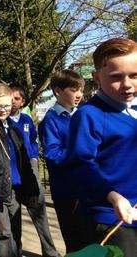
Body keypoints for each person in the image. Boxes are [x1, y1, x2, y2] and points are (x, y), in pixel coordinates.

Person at [65, 38, 137, 255]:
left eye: (134, 75)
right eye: (116, 77)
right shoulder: (90, 115)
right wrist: (112, 196)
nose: (127, 84)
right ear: (96, 78)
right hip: (113, 219)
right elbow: (80, 165)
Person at [0, 84, 40, 257]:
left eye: (7, 105)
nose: (3, 110)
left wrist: (31, 188)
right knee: (4, 233)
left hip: (15, 190)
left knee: (16, 232)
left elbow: (23, 161)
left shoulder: (14, 129)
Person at [38, 70, 87, 253]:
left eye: (81, 89)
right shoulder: (51, 120)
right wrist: (79, 154)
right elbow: (52, 153)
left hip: (87, 188)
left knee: (90, 238)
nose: (79, 94)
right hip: (67, 191)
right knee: (75, 240)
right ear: (58, 91)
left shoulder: (82, 114)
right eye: (74, 89)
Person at [9, 86, 60, 257]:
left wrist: (34, 157)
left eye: (17, 98)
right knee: (13, 218)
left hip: (29, 169)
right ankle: (15, 251)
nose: (12, 101)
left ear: (23, 102)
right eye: (10, 97)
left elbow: (32, 139)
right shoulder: (0, 120)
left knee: (39, 212)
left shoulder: (26, 119)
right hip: (11, 172)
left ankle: (50, 252)